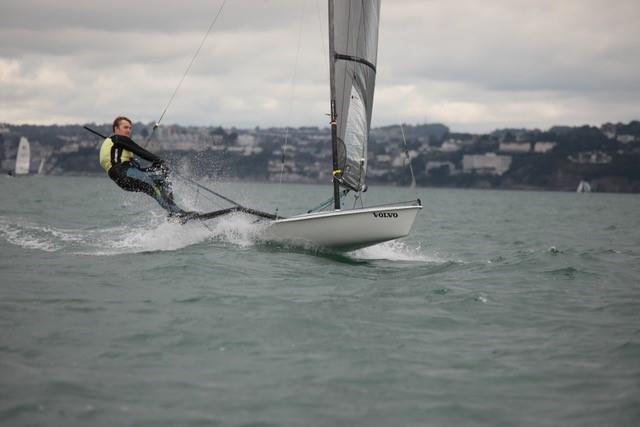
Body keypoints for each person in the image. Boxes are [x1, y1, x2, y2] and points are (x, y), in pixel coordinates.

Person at [99, 116, 189, 217]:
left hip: (123, 179)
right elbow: (140, 151)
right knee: (155, 185)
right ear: (116, 129)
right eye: (125, 127)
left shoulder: (111, 144)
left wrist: (156, 166)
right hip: (125, 173)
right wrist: (160, 161)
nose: (128, 130)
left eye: (130, 128)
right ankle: (177, 213)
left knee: (162, 176)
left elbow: (123, 161)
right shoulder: (118, 139)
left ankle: (173, 212)